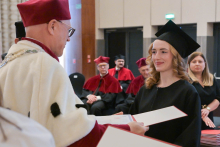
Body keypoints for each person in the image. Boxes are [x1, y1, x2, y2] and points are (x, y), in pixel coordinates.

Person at [0, 0, 148, 147]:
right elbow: (74, 137)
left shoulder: (8, 63)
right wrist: (127, 129)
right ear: (52, 26)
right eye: (68, 30)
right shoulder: (45, 64)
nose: (69, 38)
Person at [129, 20, 201, 147]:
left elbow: (190, 137)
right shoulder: (146, 89)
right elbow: (133, 121)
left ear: (175, 56)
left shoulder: (187, 92)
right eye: (154, 51)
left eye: (163, 51)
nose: (156, 57)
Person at [188, 51, 220, 130]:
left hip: (208, 117)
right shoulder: (185, 81)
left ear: (205, 64)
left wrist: (207, 109)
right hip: (191, 119)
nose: (197, 64)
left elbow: (218, 97)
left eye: (200, 61)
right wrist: (201, 115)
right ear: (189, 64)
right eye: (194, 62)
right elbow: (186, 103)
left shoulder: (211, 79)